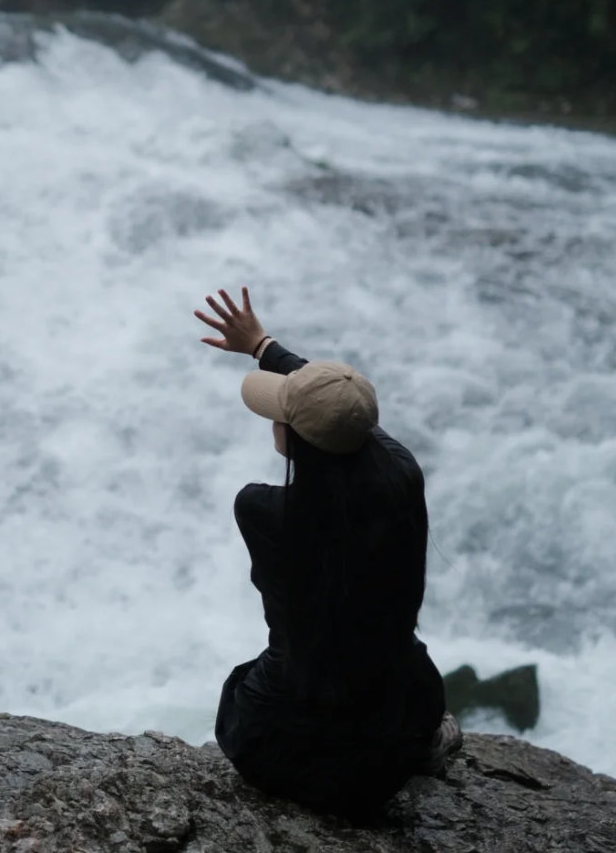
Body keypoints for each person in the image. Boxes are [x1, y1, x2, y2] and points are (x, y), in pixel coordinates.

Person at [194, 286, 461, 818]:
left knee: (240, 688)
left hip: (288, 744)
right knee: (391, 661)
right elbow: (344, 408)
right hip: (400, 725)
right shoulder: (401, 473)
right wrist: (263, 345)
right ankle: (423, 746)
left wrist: (265, 352)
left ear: (295, 437)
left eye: (281, 413)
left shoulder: (264, 512)